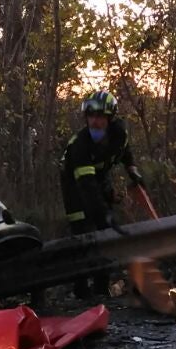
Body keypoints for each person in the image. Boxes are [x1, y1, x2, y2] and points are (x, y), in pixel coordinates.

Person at [58, 90, 143, 298]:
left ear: (110, 118)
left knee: (105, 233)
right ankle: (81, 289)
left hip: (99, 176)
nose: (95, 122)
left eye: (100, 117)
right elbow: (87, 187)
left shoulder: (119, 134)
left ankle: (101, 287)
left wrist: (132, 169)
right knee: (83, 232)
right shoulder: (79, 146)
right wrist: (103, 211)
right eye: (91, 117)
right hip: (75, 184)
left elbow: (125, 151)